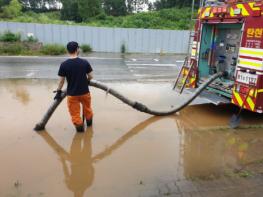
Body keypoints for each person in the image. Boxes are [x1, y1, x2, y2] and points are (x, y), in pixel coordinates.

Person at [54, 41, 93, 132]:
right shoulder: (84, 62)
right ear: (77, 49)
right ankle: (89, 126)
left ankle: (80, 132)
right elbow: (91, 76)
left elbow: (61, 82)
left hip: (72, 95)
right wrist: (87, 81)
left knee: (75, 115)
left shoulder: (64, 64)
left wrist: (58, 92)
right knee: (88, 110)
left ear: (68, 51)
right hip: (85, 93)